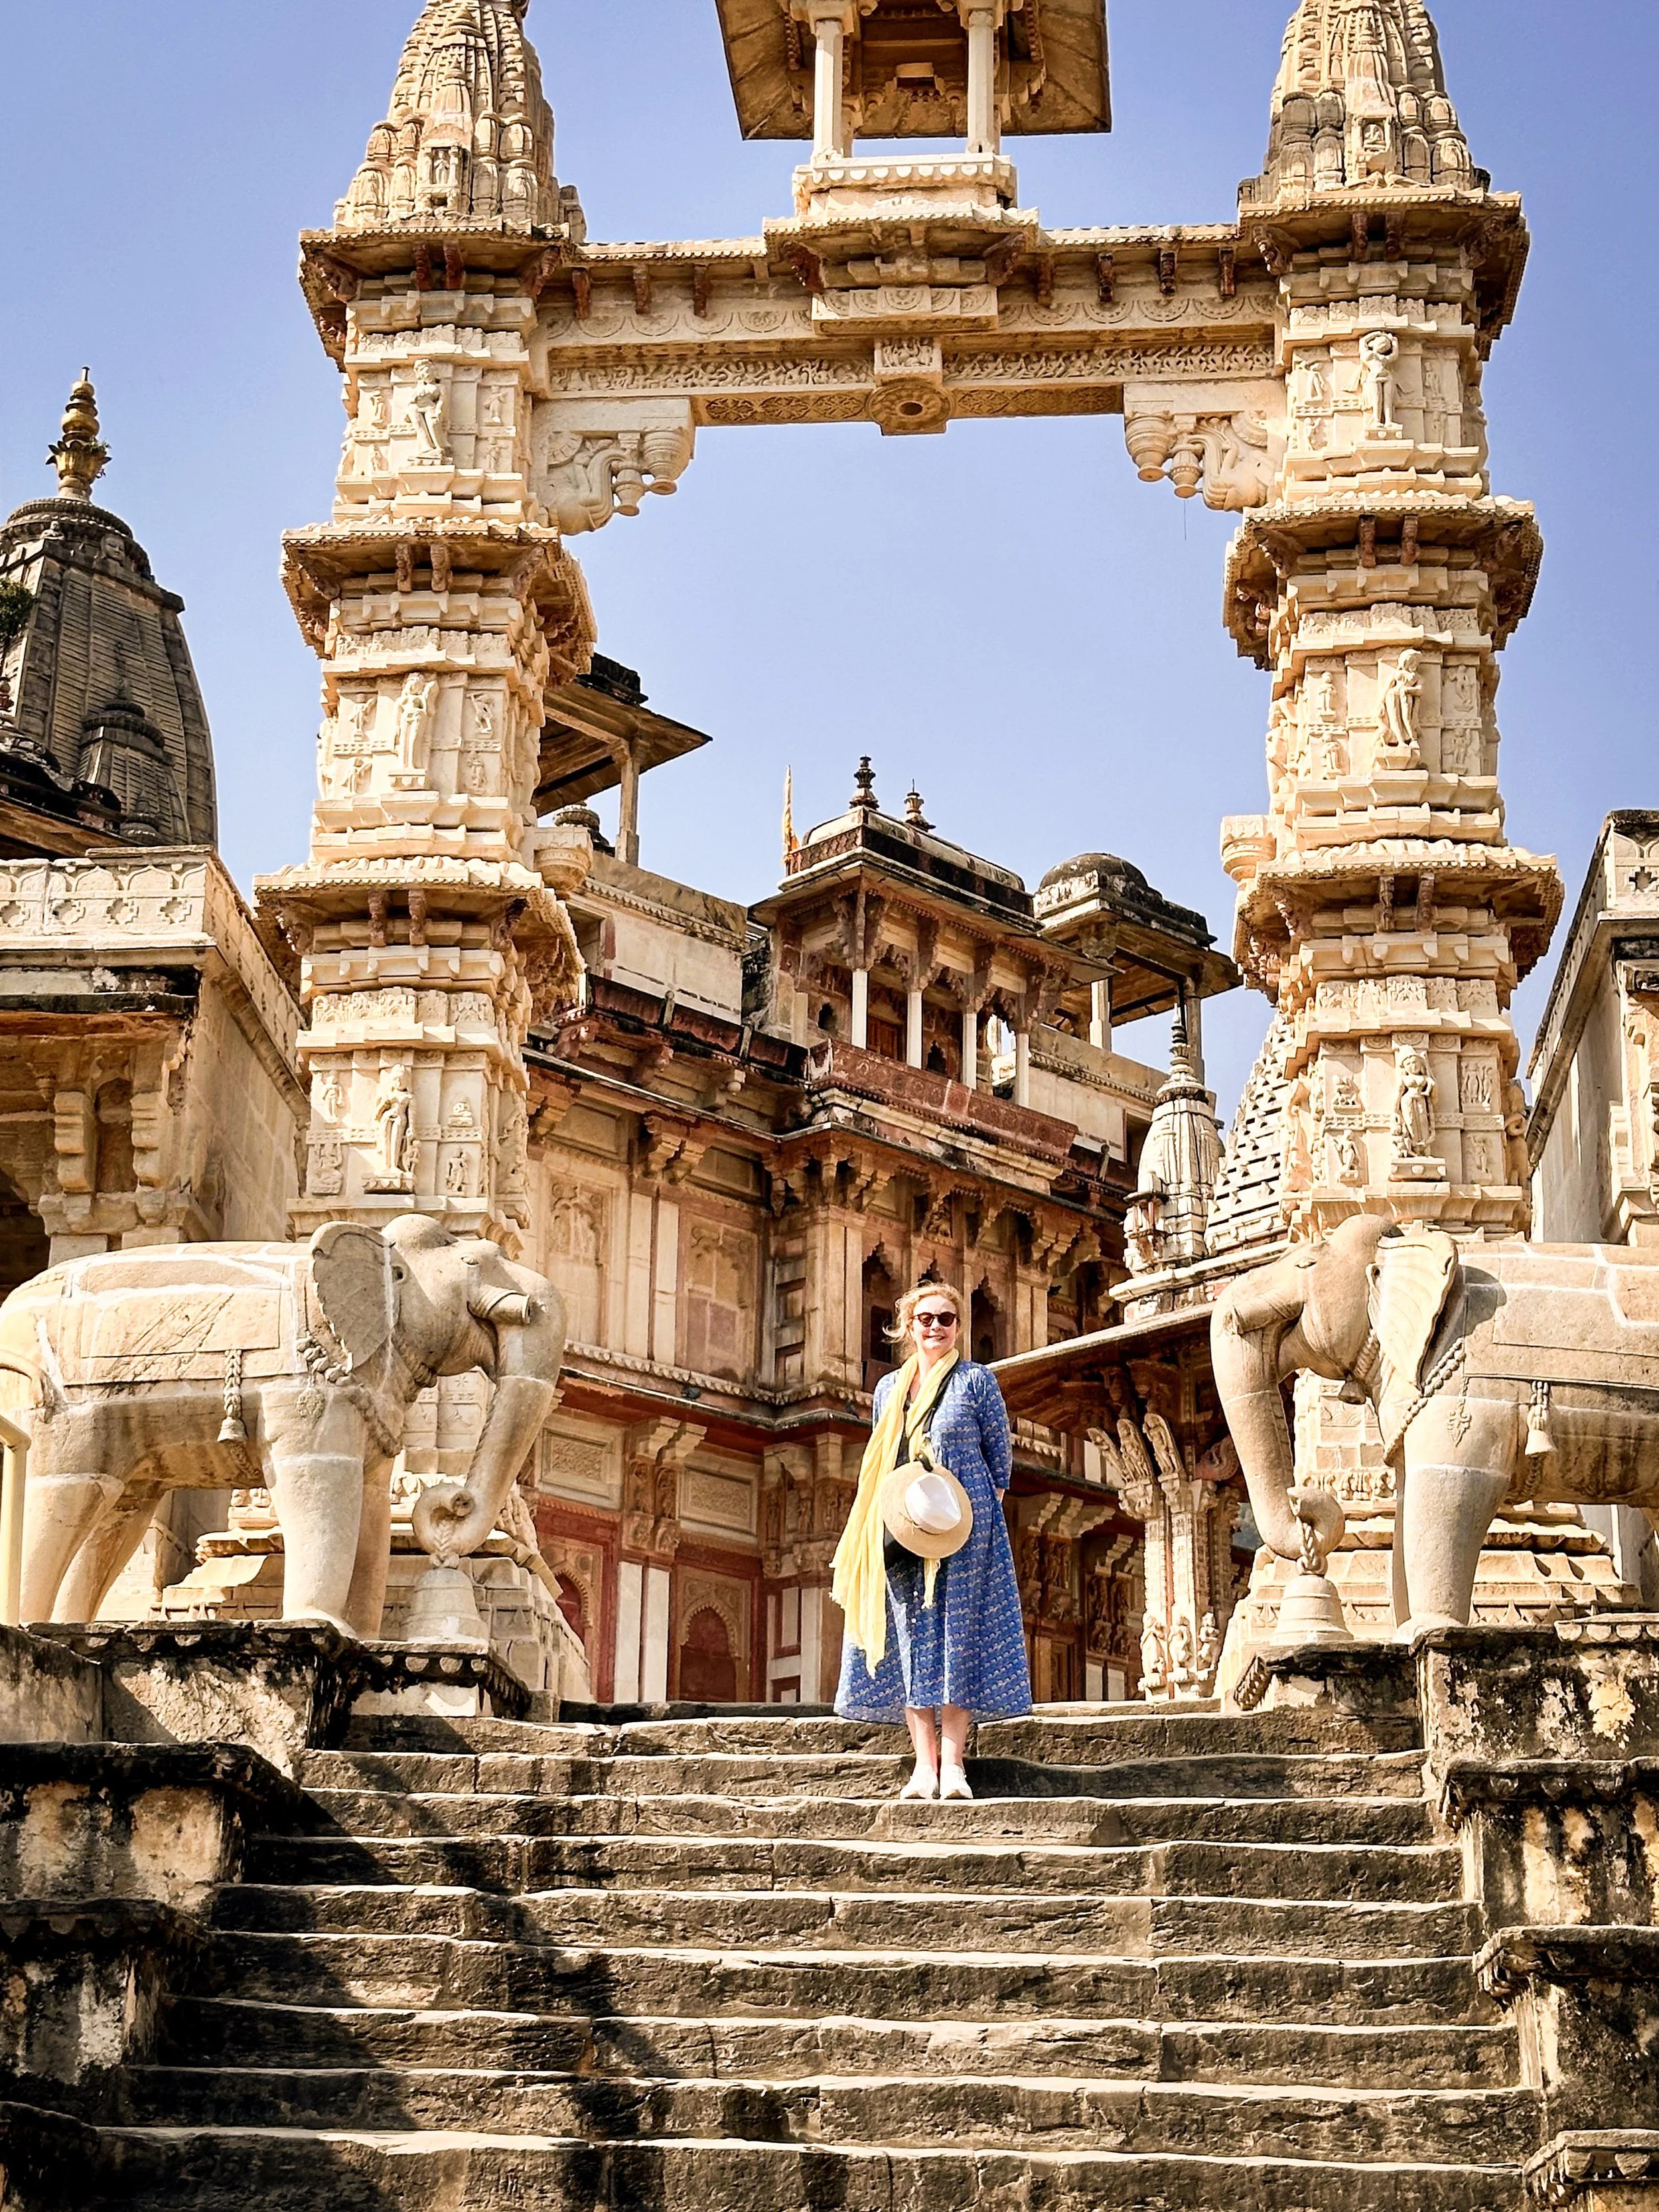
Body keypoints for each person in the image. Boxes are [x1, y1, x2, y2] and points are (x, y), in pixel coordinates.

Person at [831, 1281, 1031, 1800]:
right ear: (908, 1327)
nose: (936, 1327)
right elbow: (883, 1458)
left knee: (958, 1639)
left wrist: (970, 1520)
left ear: (959, 1327)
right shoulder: (888, 1391)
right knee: (911, 1637)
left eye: (946, 1318)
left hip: (965, 1529)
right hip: (903, 1527)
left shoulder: (977, 1382)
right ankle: (924, 1765)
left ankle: (954, 1764)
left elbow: (1000, 1466)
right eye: (926, 1319)